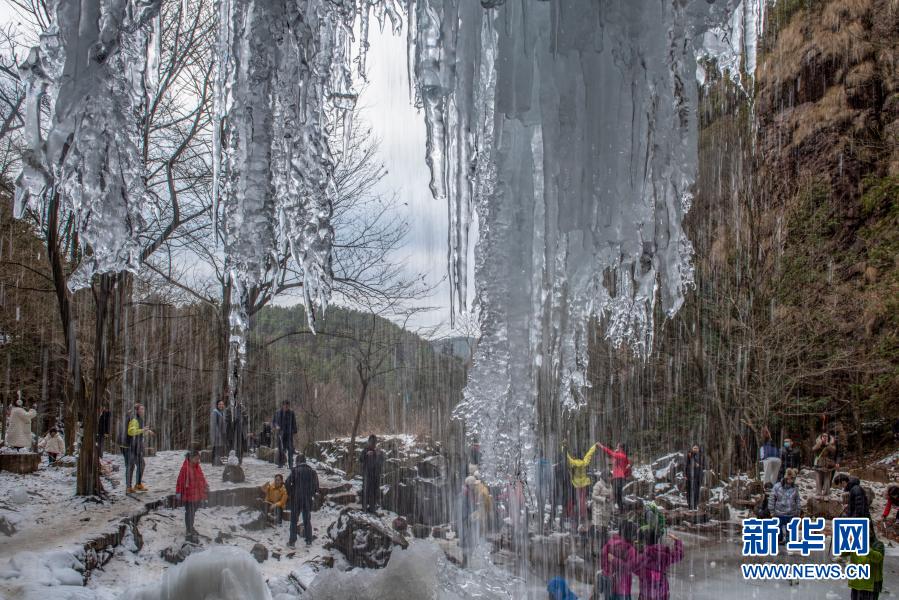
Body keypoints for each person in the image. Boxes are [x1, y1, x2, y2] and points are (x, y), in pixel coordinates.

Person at [633, 529, 683, 600]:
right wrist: (677, 541)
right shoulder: (663, 554)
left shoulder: (641, 555)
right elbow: (678, 555)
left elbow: (631, 567)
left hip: (645, 593)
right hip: (661, 593)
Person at [175, 448, 208, 542]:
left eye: (199, 458)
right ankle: (189, 530)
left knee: (193, 513)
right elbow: (180, 481)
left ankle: (191, 527)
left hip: (197, 494)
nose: (198, 460)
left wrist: (205, 485)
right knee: (189, 513)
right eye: (196, 458)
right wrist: (178, 492)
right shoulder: (185, 468)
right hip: (188, 496)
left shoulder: (197, 466)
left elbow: (201, 477)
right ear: (191, 458)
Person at [285, 453, 319, 547]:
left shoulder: (295, 471)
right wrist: (311, 493)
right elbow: (316, 487)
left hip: (296, 499)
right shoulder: (312, 472)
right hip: (307, 499)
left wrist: (291, 492)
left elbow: (287, 483)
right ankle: (308, 541)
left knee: (293, 520)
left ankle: (292, 541)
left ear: (297, 461)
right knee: (307, 520)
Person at [600, 520, 638, 600]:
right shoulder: (630, 549)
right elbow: (631, 567)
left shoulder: (610, 543)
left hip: (609, 585)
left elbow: (603, 560)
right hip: (622, 587)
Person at [844, 525, 884, 600]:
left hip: (871, 584)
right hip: (857, 581)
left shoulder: (878, 544)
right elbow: (842, 553)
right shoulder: (854, 542)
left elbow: (877, 558)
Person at [565, 443, 597, 529]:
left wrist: (563, 447)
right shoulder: (584, 462)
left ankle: (579, 514)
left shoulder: (574, 462)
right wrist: (594, 446)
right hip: (585, 483)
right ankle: (583, 514)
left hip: (577, 484)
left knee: (579, 499)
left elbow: (568, 458)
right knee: (583, 499)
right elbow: (589, 454)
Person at [126, 403, 154, 493]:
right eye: (141, 409)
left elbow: (139, 432)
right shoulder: (134, 419)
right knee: (131, 466)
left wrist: (147, 431)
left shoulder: (139, 419)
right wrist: (143, 430)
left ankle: (138, 484)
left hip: (136, 446)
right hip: (130, 446)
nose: (143, 411)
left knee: (141, 464)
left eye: (143, 409)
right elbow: (131, 432)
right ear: (137, 410)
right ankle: (128, 487)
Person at [768, 468, 800, 543]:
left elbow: (797, 500)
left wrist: (798, 511)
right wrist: (772, 511)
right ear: (786, 477)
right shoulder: (777, 486)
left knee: (790, 530)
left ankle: (789, 540)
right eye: (790, 478)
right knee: (778, 531)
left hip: (791, 513)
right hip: (779, 512)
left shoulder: (795, 488)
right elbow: (772, 499)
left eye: (793, 478)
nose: (791, 480)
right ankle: (779, 540)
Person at [597, 442, 631, 512]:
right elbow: (628, 466)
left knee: (614, 494)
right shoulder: (623, 456)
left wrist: (601, 446)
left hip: (618, 478)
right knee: (618, 495)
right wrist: (624, 473)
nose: (616, 447)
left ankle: (614, 509)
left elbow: (610, 452)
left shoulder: (620, 455)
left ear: (621, 448)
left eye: (618, 446)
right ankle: (620, 510)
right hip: (620, 477)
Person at [360, 434, 385, 513]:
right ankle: (364, 508)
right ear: (369, 442)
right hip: (367, 475)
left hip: (375, 475)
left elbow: (382, 461)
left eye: (374, 443)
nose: (373, 444)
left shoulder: (377, 451)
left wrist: (378, 455)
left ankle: (372, 508)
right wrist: (366, 455)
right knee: (366, 491)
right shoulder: (365, 450)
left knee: (374, 491)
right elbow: (360, 459)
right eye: (371, 442)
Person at [272, 401, 298, 468]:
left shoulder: (291, 413)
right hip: (281, 434)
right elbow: (274, 422)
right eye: (285, 406)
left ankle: (290, 464)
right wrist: (276, 426)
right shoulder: (277, 413)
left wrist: (294, 432)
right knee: (281, 449)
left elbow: (294, 423)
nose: (286, 407)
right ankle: (280, 463)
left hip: (289, 434)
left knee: (290, 449)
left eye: (287, 406)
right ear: (282, 405)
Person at [811, 433, 837, 497]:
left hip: (828, 465)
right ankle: (818, 494)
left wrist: (827, 445)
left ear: (828, 438)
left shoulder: (831, 444)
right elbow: (813, 449)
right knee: (818, 480)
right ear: (821, 437)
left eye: (826, 436)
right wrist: (820, 444)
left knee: (827, 480)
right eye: (823, 436)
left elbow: (833, 451)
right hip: (818, 464)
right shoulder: (818, 443)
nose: (825, 437)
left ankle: (826, 494)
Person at [684, 445, 705, 510]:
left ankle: (695, 506)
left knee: (696, 492)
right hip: (690, 477)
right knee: (689, 491)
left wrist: (699, 465)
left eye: (696, 448)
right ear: (692, 449)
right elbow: (686, 465)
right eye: (694, 448)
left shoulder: (701, 456)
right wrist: (685, 475)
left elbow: (704, 466)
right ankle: (690, 506)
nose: (695, 449)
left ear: (698, 449)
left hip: (697, 477)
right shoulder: (689, 455)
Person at [226, 401, 247, 465]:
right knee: (232, 446)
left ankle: (239, 460)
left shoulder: (243, 409)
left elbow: (246, 420)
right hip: (232, 431)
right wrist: (232, 420)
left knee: (240, 447)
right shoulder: (229, 409)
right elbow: (227, 419)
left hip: (241, 432)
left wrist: (244, 418)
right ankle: (232, 460)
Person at [211, 399, 227, 466]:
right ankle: (214, 462)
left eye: (222, 404)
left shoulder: (222, 412)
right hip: (217, 433)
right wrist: (217, 434)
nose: (221, 405)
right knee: (216, 447)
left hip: (222, 433)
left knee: (221, 448)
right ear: (217, 405)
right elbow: (214, 424)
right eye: (220, 404)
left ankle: (221, 462)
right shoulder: (215, 412)